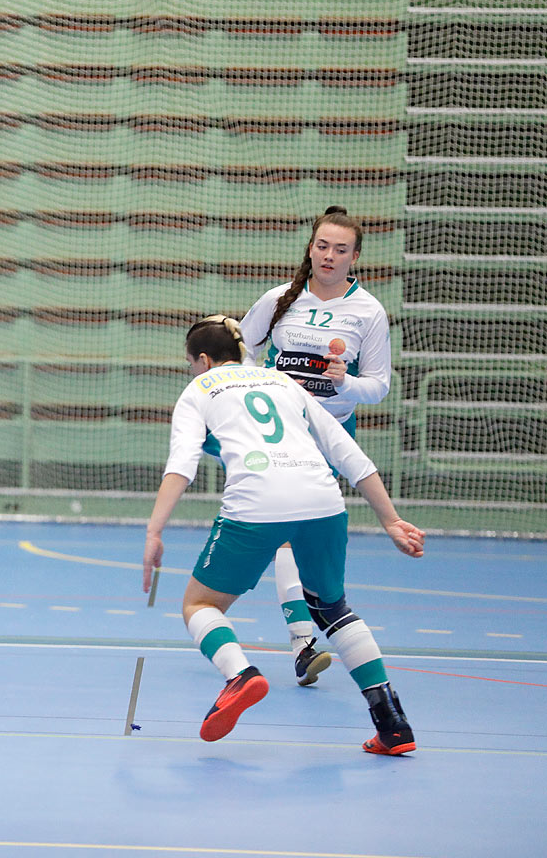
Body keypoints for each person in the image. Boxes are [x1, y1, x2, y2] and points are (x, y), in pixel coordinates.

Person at [142, 315, 424, 754]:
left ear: (202, 360)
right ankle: (393, 724)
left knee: (200, 604)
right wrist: (390, 520)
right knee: (333, 608)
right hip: (322, 499)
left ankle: (240, 675)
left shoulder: (198, 390)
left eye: (190, 362)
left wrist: (154, 530)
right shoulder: (283, 383)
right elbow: (345, 451)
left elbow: (183, 464)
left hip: (256, 502)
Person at [239, 206, 392, 689]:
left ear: (355, 257)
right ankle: (303, 643)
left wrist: (347, 383)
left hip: (334, 434)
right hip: (281, 435)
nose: (329, 255)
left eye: (340, 249)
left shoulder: (368, 311)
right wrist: (257, 384)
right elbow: (241, 349)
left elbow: (380, 386)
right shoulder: (279, 299)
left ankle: (311, 635)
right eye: (322, 246)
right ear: (311, 248)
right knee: (285, 534)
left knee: (308, 539)